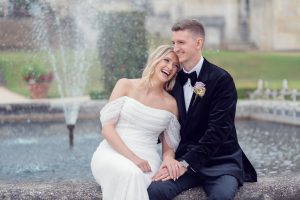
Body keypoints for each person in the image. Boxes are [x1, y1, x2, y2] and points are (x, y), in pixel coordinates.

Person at [148, 19, 257, 200]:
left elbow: (218, 131)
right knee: (154, 191)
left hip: (220, 162)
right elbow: (162, 121)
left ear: (198, 43)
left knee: (221, 197)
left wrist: (186, 163)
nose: (175, 48)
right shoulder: (172, 80)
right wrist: (168, 158)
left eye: (181, 42)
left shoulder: (221, 80)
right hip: (182, 161)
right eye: (173, 42)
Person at [91, 45, 184, 200]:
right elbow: (107, 129)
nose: (170, 67)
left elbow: (169, 147)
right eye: (166, 60)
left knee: (135, 175)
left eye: (175, 66)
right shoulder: (125, 85)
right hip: (111, 153)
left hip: (148, 161)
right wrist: (133, 158)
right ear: (155, 60)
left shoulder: (172, 104)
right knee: (131, 173)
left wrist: (168, 159)